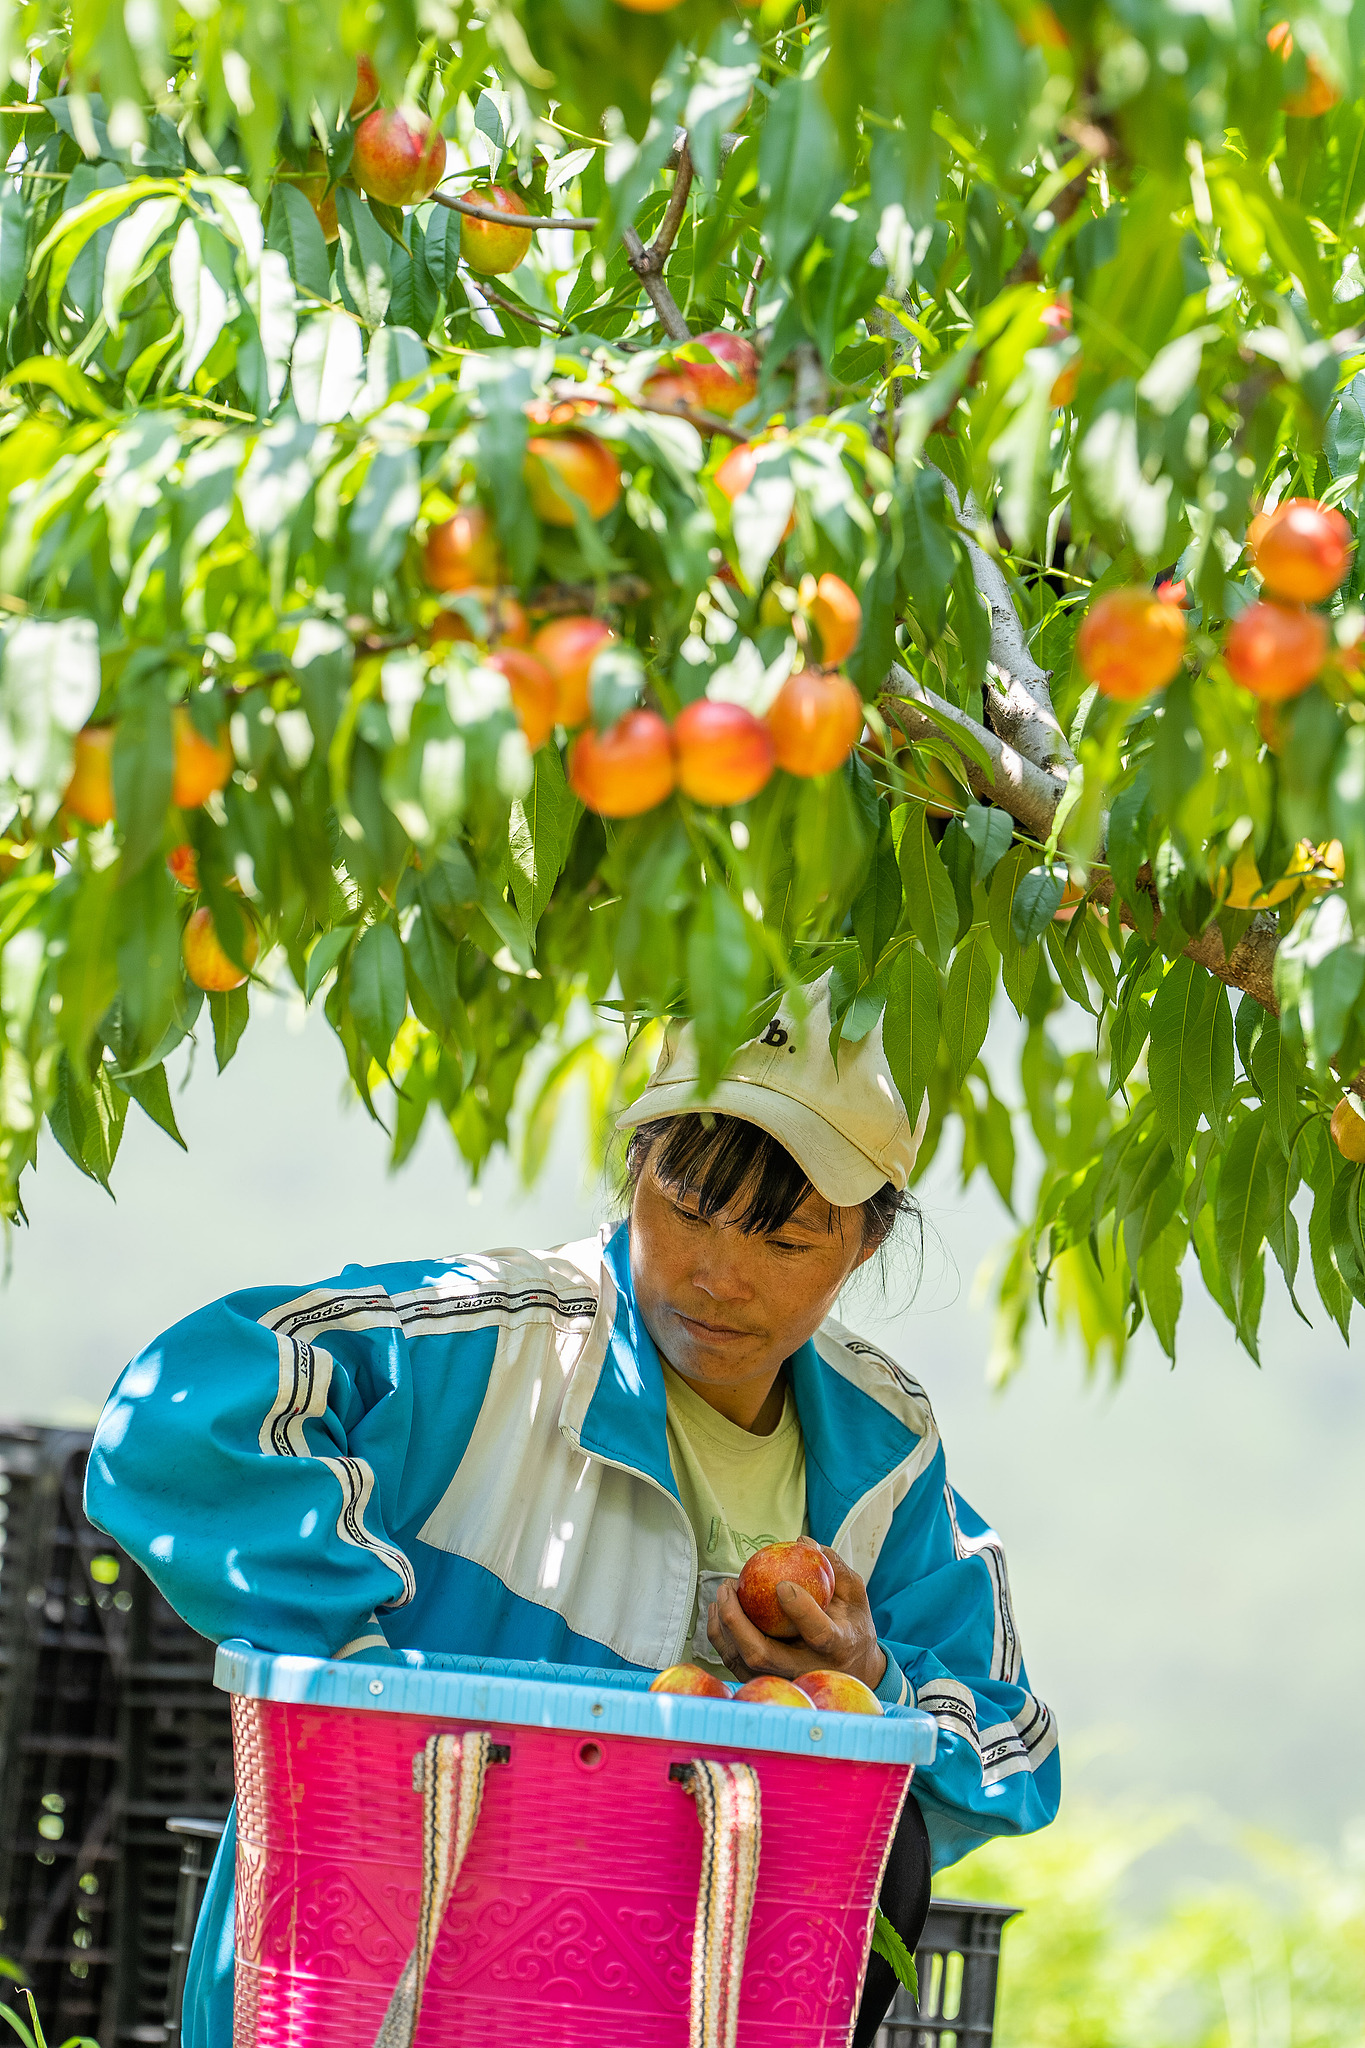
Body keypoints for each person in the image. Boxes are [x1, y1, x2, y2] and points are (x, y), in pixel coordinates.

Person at [87, 973, 1059, 2047]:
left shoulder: (885, 1455)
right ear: (634, 1166)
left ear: (863, 1246)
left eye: (784, 1241)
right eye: (687, 1206)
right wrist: (371, 1670)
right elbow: (177, 1414)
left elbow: (1013, 1743)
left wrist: (870, 1685)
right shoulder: (491, 1347)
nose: (719, 1275)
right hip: (381, 2005)